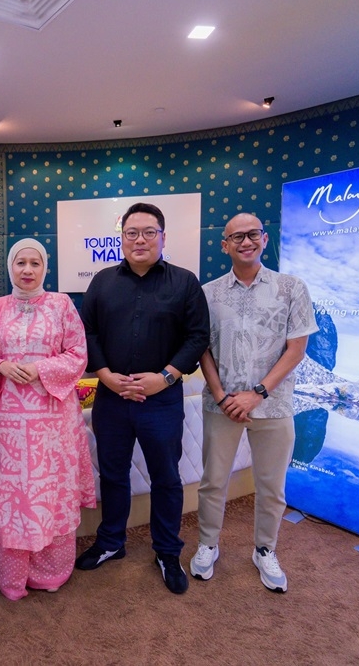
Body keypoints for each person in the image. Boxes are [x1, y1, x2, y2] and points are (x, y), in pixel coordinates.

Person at [75, 202, 210, 595]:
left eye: (149, 232)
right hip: (111, 398)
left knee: (166, 478)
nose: (140, 240)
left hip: (161, 400)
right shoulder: (102, 282)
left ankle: (167, 551)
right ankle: (111, 541)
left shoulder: (185, 283)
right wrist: (105, 375)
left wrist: (164, 377)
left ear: (163, 237)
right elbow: (88, 333)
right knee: (113, 474)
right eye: (131, 233)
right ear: (121, 239)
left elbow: (197, 337)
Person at [195, 212, 318, 594]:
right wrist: (221, 395)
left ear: (264, 239)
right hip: (222, 406)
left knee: (271, 486)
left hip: (274, 405)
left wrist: (257, 393)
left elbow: (296, 349)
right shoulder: (208, 293)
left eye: (252, 235)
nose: (245, 242)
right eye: (237, 237)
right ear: (224, 245)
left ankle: (265, 549)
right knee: (213, 482)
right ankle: (207, 544)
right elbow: (202, 348)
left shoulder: (291, 288)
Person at [0, 239, 96, 600]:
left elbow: (78, 354)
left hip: (53, 422)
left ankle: (51, 572)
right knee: (12, 497)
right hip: (7, 423)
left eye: (35, 263)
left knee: (51, 492)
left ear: (45, 268)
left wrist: (40, 368)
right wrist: (1, 366)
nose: (27, 270)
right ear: (10, 267)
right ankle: (13, 577)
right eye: (20, 263)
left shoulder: (62, 304)